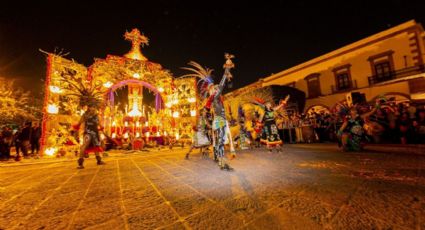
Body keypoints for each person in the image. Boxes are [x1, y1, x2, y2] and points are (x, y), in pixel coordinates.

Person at [182, 53, 235, 170]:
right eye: (214, 87)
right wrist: (227, 69)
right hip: (220, 120)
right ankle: (222, 163)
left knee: (219, 141)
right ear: (212, 90)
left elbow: (205, 112)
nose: (217, 88)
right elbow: (222, 82)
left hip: (219, 120)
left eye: (216, 87)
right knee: (220, 141)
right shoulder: (215, 96)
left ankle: (219, 159)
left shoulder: (213, 99)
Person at [74, 104, 105, 169]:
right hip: (88, 133)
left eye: (94, 107)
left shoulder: (96, 116)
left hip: (95, 133)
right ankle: (80, 163)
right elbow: (79, 123)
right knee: (84, 145)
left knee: (96, 146)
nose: (93, 108)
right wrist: (76, 130)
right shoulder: (85, 115)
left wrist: (101, 128)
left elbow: (99, 125)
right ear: (89, 107)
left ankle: (99, 160)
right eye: (92, 107)